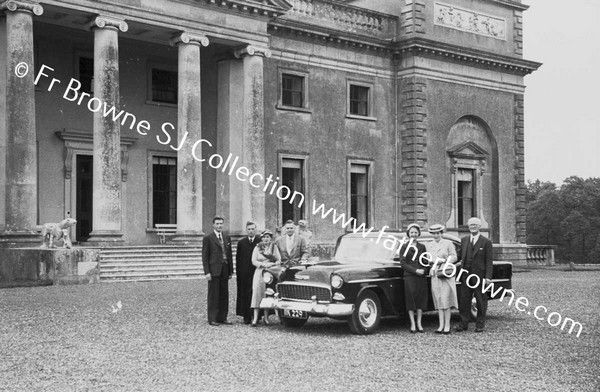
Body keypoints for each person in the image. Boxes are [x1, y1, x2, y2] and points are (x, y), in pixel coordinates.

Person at [456, 217, 493, 333]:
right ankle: (463, 324)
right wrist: (445, 260)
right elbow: (459, 256)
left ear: (479, 226)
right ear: (468, 226)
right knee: (464, 300)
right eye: (471, 225)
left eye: (475, 225)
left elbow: (489, 261)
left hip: (479, 276)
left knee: (480, 300)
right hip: (465, 275)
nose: (473, 227)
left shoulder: (486, 242)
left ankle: (480, 325)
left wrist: (488, 277)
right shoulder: (464, 240)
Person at [425, 224, 458, 335]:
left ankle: (447, 325)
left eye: (438, 233)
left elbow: (454, 256)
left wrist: (443, 261)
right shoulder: (429, 245)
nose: (436, 235)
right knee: (438, 298)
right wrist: (432, 261)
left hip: (445, 273)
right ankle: (440, 325)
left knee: (446, 299)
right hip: (435, 273)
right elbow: (428, 258)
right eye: (434, 234)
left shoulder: (448, 243)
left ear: (441, 233)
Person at [202, 216, 233, 326]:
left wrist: (230, 270)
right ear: (213, 225)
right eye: (217, 223)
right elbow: (205, 256)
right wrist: (207, 272)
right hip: (214, 269)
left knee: (224, 294)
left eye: (221, 223)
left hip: (225, 268)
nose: (219, 225)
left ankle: (222, 317)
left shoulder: (226, 237)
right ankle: (213, 318)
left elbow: (229, 254)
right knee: (213, 295)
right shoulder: (208, 238)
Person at [398, 223, 428, 333]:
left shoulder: (422, 247)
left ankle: (419, 323)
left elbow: (425, 261)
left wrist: (424, 270)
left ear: (419, 234)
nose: (414, 234)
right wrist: (415, 270)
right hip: (410, 276)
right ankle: (412, 324)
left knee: (420, 299)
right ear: (408, 234)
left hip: (421, 277)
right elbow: (403, 264)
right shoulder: (404, 246)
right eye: (412, 232)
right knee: (411, 300)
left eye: (415, 232)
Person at [250, 230, 281, 326]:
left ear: (270, 238)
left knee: (267, 293)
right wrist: (263, 264)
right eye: (264, 237)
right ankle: (255, 318)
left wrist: (271, 265)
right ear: (261, 238)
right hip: (259, 272)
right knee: (257, 294)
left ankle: (266, 318)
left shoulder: (274, 247)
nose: (266, 239)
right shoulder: (258, 247)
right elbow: (253, 260)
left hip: (270, 273)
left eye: (268, 237)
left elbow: (278, 260)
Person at [235, 221, 261, 324]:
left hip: (256, 272)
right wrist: (238, 273)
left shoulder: (260, 242)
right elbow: (238, 259)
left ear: (256, 230)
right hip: (244, 273)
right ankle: (246, 315)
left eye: (253, 229)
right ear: (246, 230)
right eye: (249, 229)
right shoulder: (241, 243)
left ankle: (257, 315)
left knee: (257, 293)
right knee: (245, 293)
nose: (251, 231)